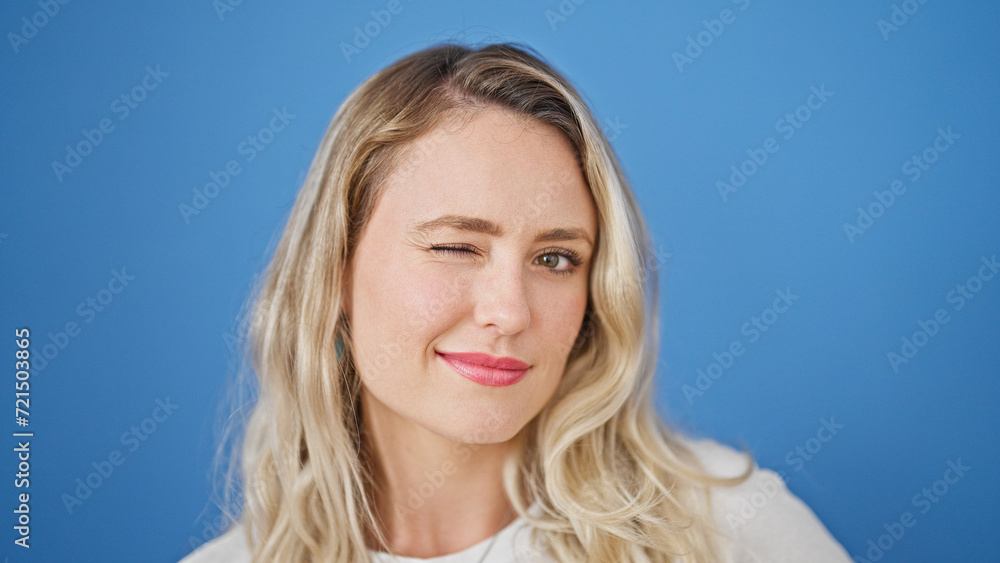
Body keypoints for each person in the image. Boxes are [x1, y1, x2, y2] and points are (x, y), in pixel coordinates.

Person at [180, 42, 851, 562]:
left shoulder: (725, 522)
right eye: (456, 247)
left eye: (555, 259)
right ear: (334, 270)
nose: (510, 312)